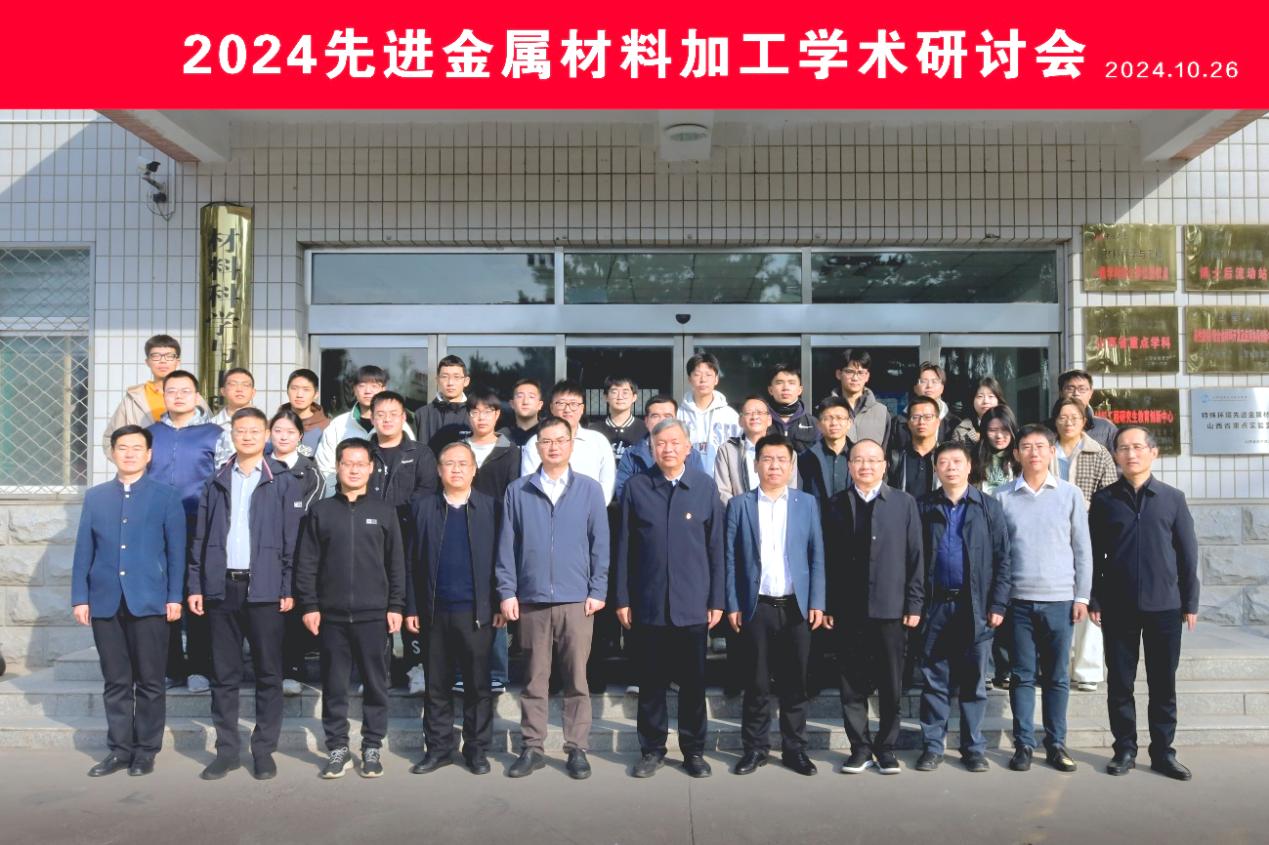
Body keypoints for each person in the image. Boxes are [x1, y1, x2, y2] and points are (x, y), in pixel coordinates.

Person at [187, 408, 303, 781]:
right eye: (241, 430)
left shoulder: (282, 480)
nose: (248, 436)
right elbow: (200, 538)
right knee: (224, 675)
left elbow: (293, 540)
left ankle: (263, 750)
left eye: (255, 430)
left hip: (265, 589)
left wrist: (287, 586)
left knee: (269, 674)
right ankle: (227, 752)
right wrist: (196, 585)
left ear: (266, 434)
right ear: (232, 435)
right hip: (222, 589)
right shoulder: (216, 480)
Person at [497, 416, 609, 780]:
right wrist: (507, 591)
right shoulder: (518, 490)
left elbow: (600, 544)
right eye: (546, 441)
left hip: (577, 600)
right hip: (531, 599)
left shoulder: (589, 489)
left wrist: (598, 590)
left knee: (577, 679)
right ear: (537, 447)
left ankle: (577, 748)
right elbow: (506, 545)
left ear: (571, 445)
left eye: (560, 440)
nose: (554, 447)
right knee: (534, 679)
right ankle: (532, 747)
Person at [72, 425, 186, 778]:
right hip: (105, 600)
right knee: (116, 680)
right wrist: (80, 597)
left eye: (137, 447)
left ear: (149, 454)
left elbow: (177, 553)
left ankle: (146, 751)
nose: (130, 453)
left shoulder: (166, 496)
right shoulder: (96, 497)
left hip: (150, 600)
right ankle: (120, 750)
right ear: (113, 452)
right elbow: (84, 550)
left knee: (150, 681)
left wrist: (175, 597)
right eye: (123, 447)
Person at [616, 418, 724, 779]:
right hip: (648, 604)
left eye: (675, 442)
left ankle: (694, 751)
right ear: (651, 447)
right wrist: (622, 598)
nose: (668, 449)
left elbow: (716, 549)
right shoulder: (636, 487)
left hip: (693, 604)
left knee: (693, 685)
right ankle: (652, 750)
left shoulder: (704, 487)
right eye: (660, 443)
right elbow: (624, 548)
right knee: (651, 684)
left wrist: (717, 600)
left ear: (688, 447)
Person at [1090, 425, 1199, 781]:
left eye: (1138, 447)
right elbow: (1094, 554)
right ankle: (1124, 749)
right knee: (1120, 684)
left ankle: (1163, 752)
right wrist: (1094, 597)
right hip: (1118, 606)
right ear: (1115, 455)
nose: (1131, 454)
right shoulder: (1105, 500)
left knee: (1162, 684)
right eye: (1123, 448)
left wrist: (1190, 601)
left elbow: (1187, 555)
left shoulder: (1172, 499)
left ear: (1153, 452)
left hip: (1164, 606)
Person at [294, 439, 405, 780]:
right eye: (347, 463)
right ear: (338, 467)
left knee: (376, 685)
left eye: (360, 463)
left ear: (371, 468)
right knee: (334, 686)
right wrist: (310, 605)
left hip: (374, 615)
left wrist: (396, 605)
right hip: (332, 617)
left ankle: (372, 747)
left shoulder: (385, 511)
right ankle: (337, 748)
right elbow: (307, 563)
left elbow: (396, 564)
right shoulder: (321, 512)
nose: (354, 469)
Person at [725, 434, 826, 777]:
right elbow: (730, 558)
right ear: (756, 465)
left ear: (791, 465)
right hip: (757, 606)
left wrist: (817, 601)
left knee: (795, 683)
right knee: (756, 683)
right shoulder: (740, 505)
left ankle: (795, 749)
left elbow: (817, 556)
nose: (774, 466)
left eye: (781, 460)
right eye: (767, 459)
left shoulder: (806, 504)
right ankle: (755, 749)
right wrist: (733, 603)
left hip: (796, 607)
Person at [995, 424, 1092, 774]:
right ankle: (1023, 744)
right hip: (1018, 601)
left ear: (1053, 452)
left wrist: (1082, 595)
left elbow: (1083, 549)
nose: (1034, 452)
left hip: (1060, 600)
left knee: (1056, 677)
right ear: (1016, 453)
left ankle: (1056, 744)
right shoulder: (1002, 497)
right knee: (1022, 675)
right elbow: (997, 553)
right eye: (1026, 446)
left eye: (1041, 446)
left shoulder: (1070, 494)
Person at [405, 442, 505, 777]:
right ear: (439, 470)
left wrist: (499, 601)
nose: (456, 469)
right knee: (437, 686)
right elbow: (411, 561)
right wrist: (412, 607)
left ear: (474, 469)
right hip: (434, 611)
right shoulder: (422, 508)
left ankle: (476, 750)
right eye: (449, 463)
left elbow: (503, 559)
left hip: (478, 612)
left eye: (463, 463)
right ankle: (438, 749)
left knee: (478, 686)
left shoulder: (491, 508)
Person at [824, 438, 923, 775]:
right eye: (858, 460)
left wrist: (914, 602)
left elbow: (916, 556)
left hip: (891, 608)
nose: (865, 466)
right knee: (850, 684)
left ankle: (886, 747)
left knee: (891, 684)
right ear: (849, 466)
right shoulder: (836, 504)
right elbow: (828, 560)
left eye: (872, 460)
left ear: (884, 466)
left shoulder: (904, 503)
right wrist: (828, 605)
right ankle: (860, 748)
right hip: (848, 609)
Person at [915, 442, 1012, 773]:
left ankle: (973, 748)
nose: (951, 467)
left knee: (973, 682)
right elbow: (913, 559)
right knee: (934, 680)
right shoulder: (923, 506)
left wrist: (998, 603)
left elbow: (1003, 559)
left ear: (970, 467)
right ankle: (932, 746)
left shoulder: (988, 507)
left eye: (957, 461)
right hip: (936, 606)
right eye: (944, 462)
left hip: (976, 607)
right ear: (936, 469)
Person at [146, 370, 222, 693]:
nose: (178, 396)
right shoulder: (151, 433)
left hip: (199, 523)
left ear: (196, 396)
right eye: (172, 391)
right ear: (163, 395)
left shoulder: (215, 433)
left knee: (197, 595)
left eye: (185, 391)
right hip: (157, 526)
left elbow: (223, 478)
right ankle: (171, 666)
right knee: (166, 594)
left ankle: (200, 667)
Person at [366, 390, 437, 694]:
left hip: (410, 539)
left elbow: (426, 493)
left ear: (403, 417)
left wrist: (390, 515)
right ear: (371, 418)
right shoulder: (363, 452)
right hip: (369, 541)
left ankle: (416, 667)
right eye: (380, 414)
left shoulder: (420, 453)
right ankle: (377, 671)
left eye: (393, 414)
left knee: (411, 603)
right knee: (374, 604)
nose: (387, 420)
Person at [1049, 396, 1118, 693]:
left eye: (1074, 417)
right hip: (1051, 534)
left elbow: (1111, 494)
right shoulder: (1045, 449)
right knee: (1057, 597)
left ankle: (1087, 668)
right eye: (1062, 417)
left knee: (1087, 593)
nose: (1068, 422)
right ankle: (1057, 665)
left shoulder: (1098, 452)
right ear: (1055, 420)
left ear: (1085, 421)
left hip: (1089, 531)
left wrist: (1088, 509)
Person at [459, 387, 520, 694]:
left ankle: (496, 670)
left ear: (497, 415)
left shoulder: (511, 451)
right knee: (462, 600)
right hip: (460, 528)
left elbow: (514, 493)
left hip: (498, 531)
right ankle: (462, 669)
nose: (481, 417)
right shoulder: (458, 449)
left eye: (488, 411)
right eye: (475, 411)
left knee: (496, 598)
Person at [268, 408, 324, 696]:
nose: (283, 437)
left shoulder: (310, 471)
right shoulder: (261, 466)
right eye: (278, 431)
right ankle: (268, 670)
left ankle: (292, 669)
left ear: (300, 436)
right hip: (264, 553)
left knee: (293, 609)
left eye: (290, 432)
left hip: (299, 549)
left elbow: (310, 514)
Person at [974, 404, 1022, 689]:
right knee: (986, 604)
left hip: (1014, 538)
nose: (999, 435)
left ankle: (1006, 667)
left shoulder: (1020, 460)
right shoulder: (974, 460)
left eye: (1004, 430)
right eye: (992, 430)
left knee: (1009, 605)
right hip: (982, 538)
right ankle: (988, 668)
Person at [102, 334, 207, 460]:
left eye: (169, 356)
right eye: (156, 356)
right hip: (146, 470)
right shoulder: (134, 399)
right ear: (147, 362)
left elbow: (212, 437)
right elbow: (110, 439)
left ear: (177, 361)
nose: (163, 361)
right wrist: (132, 465)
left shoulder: (193, 397)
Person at [314, 365, 414, 494]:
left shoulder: (397, 424)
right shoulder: (338, 425)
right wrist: (338, 498)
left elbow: (410, 463)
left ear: (383, 389)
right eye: (362, 385)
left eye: (374, 386)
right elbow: (325, 468)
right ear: (354, 389)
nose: (368, 391)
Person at [521, 380, 616, 504]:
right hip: (547, 511)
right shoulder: (537, 442)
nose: (567, 409)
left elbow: (607, 484)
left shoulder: (598, 441)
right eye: (561, 403)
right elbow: (529, 484)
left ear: (582, 409)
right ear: (551, 407)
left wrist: (590, 509)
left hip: (591, 512)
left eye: (573, 404)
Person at [616, 395, 705, 503]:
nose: (662, 421)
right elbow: (623, 493)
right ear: (646, 421)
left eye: (668, 416)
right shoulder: (631, 455)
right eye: (655, 416)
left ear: (676, 420)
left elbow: (700, 490)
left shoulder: (691, 454)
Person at [677, 352, 741, 470]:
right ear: (689, 379)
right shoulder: (678, 415)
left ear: (716, 379)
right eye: (697, 374)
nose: (703, 380)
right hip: (687, 478)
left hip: (723, 478)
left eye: (708, 375)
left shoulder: (730, 416)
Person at [827, 349, 891, 451]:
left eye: (861, 372)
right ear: (839, 374)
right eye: (849, 372)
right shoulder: (825, 411)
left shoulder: (881, 412)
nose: (855, 378)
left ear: (867, 376)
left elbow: (885, 453)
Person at [413, 354, 473, 454]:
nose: (450, 383)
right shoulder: (422, 414)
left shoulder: (474, 414)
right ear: (437, 380)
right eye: (444, 377)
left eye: (456, 377)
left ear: (466, 381)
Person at [799, 396, 852, 502]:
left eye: (840, 418)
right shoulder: (806, 457)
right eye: (827, 418)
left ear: (849, 423)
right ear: (819, 425)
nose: (834, 423)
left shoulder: (860, 456)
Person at [887, 393, 942, 496]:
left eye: (928, 417)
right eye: (915, 417)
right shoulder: (895, 458)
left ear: (938, 422)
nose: (921, 422)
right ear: (908, 423)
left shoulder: (945, 457)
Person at [1059, 369, 1119, 453]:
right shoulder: (1047, 429)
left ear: (1090, 393)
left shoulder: (1106, 428)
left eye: (1082, 389)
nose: (1076, 393)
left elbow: (1117, 458)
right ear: (1061, 393)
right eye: (1070, 389)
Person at [591, 375, 646, 463]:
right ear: (606, 397)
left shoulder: (645, 430)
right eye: (614, 392)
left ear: (634, 397)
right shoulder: (594, 431)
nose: (620, 397)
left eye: (625, 392)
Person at [764, 363, 818, 453]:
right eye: (779, 383)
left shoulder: (814, 424)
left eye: (791, 383)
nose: (786, 388)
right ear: (770, 390)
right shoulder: (760, 421)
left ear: (800, 390)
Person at [211, 368, 259, 468]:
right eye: (233, 384)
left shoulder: (265, 425)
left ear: (253, 392)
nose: (239, 389)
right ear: (223, 391)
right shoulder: (211, 425)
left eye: (245, 385)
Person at [276, 368, 329, 456]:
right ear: (287, 391)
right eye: (294, 388)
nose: (299, 395)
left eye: (306, 389)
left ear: (316, 394)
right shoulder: (272, 425)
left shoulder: (327, 428)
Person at [951, 377, 1006, 444]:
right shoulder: (961, 430)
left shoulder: (1008, 427)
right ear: (972, 400)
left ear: (998, 400)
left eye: (991, 396)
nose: (986, 401)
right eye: (980, 396)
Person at [504, 378, 544, 447]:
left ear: (540, 405)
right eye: (520, 396)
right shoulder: (503, 436)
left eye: (531, 397)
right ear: (512, 404)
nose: (525, 402)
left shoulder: (549, 433)